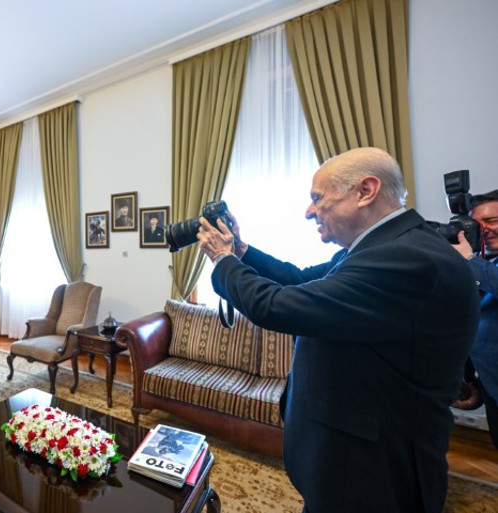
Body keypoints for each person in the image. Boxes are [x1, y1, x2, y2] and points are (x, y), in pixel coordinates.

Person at [197, 147, 480, 513]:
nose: (308, 211)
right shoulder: (374, 249)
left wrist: (223, 260)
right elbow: (296, 280)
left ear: (366, 191)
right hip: (346, 455)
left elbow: (277, 306)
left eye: (317, 198)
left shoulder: (407, 259)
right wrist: (241, 249)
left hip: (373, 469)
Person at [452, 189, 498, 448]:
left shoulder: (478, 265)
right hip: (491, 383)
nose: (484, 230)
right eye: (477, 225)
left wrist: (469, 260)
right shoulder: (483, 264)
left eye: (491, 220)